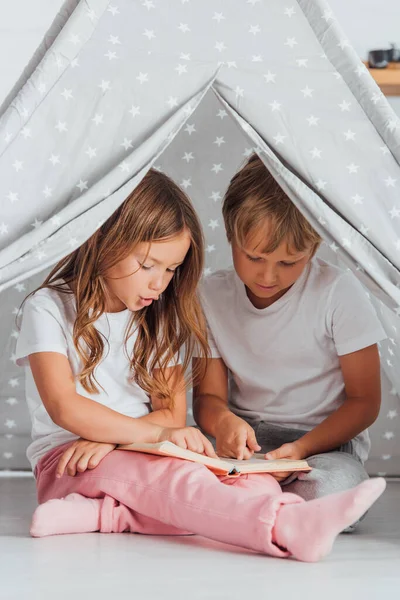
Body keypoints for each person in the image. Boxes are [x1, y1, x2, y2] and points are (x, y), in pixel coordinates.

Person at [16, 168, 385, 563]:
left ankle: (110, 515)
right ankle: (281, 528)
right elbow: (66, 408)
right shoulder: (50, 308)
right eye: (148, 266)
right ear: (103, 240)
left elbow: (172, 416)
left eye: (172, 269)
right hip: (74, 459)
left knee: (254, 489)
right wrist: (139, 437)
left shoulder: (157, 316)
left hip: (149, 450)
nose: (160, 284)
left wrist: (123, 437)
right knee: (186, 487)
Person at [193, 154, 387, 511]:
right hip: (247, 440)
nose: (268, 277)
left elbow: (365, 402)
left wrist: (302, 449)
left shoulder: (337, 291)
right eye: (253, 257)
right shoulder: (209, 296)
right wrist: (224, 424)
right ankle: (259, 498)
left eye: (288, 263)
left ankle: (252, 501)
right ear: (230, 236)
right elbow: (208, 398)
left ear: (313, 248)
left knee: (330, 491)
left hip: (325, 445)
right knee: (179, 476)